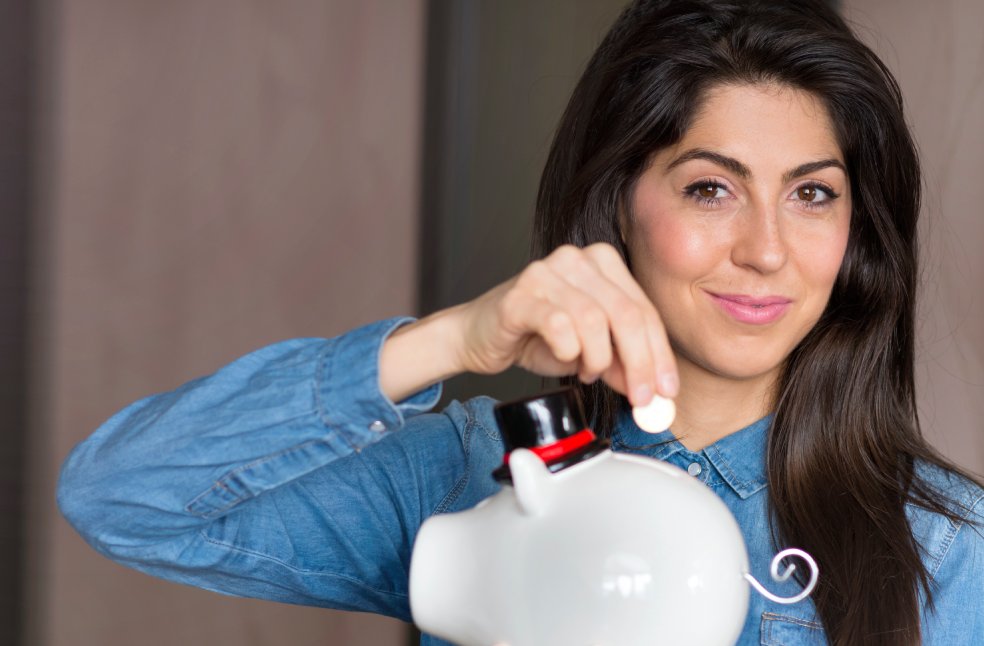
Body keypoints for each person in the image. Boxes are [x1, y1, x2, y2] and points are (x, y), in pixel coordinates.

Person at [58, 1, 983, 644]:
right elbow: (121, 497)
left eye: (813, 195)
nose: (768, 250)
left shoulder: (949, 551)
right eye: (712, 188)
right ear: (619, 204)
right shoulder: (466, 476)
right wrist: (452, 340)